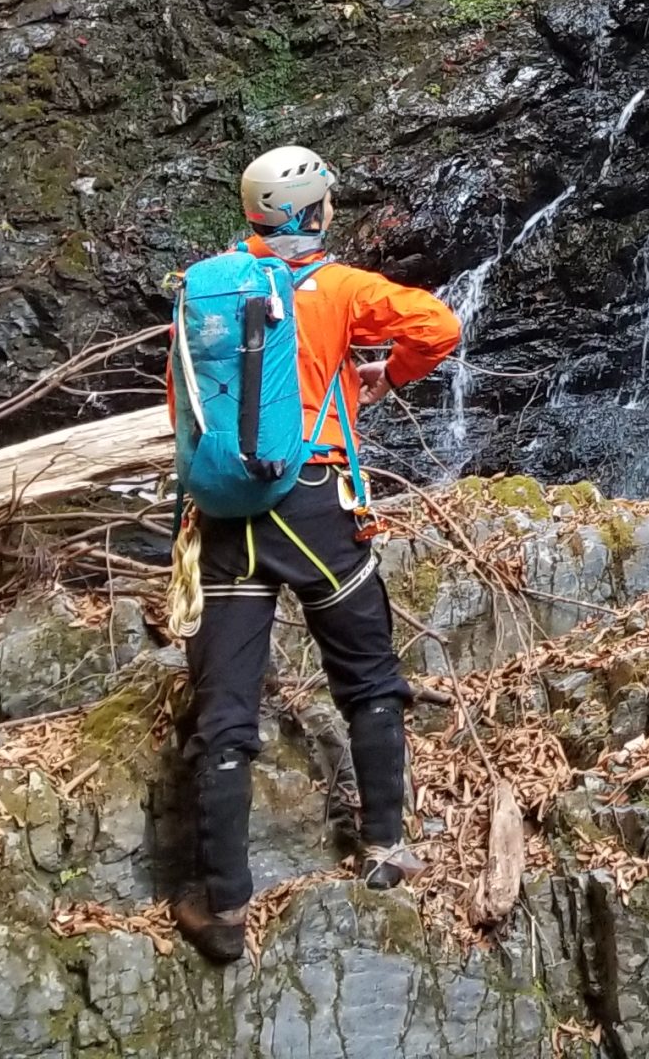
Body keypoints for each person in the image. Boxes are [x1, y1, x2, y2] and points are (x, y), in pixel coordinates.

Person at [171, 145, 462, 967]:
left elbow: (186, 409)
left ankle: (223, 904)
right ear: (312, 213)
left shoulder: (207, 292)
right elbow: (439, 326)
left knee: (225, 712)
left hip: (227, 514)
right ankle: (383, 847)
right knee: (367, 679)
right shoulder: (336, 289)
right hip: (311, 504)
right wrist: (386, 376)